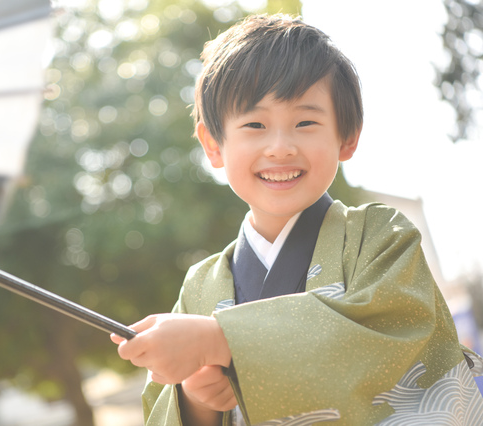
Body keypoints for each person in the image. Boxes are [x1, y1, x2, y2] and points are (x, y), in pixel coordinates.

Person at [111, 13, 483, 425]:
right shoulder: (200, 286)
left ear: (348, 135)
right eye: (255, 124)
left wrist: (222, 339)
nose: (280, 147)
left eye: (305, 122)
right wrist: (195, 399)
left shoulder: (381, 237)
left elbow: (399, 343)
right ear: (213, 145)